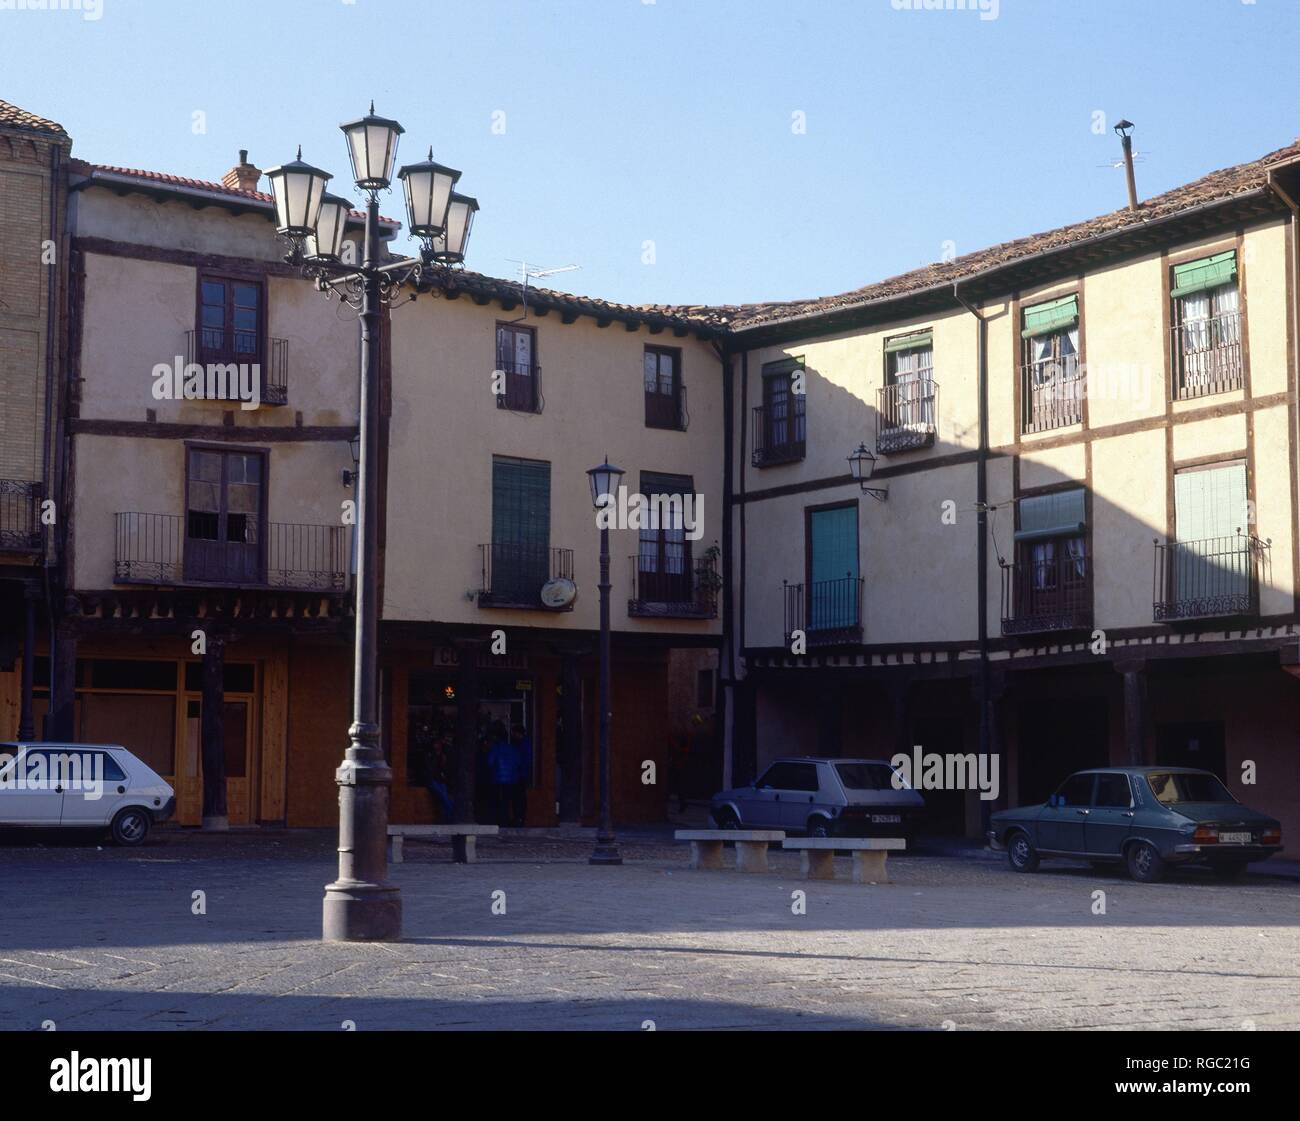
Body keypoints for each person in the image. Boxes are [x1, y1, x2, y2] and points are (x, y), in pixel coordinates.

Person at [486, 722, 518, 826]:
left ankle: (496, 820)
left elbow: (489, 762)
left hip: (497, 778)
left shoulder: (495, 748)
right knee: (506, 801)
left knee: (496, 801)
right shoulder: (513, 748)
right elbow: (518, 763)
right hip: (511, 780)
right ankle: (505, 821)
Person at [509, 724, 532, 827]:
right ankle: (519, 818)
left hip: (520, 775)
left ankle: (519, 818)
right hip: (521, 774)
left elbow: (525, 760)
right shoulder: (524, 744)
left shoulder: (523, 745)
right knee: (519, 797)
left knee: (519, 797)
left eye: (513, 733)